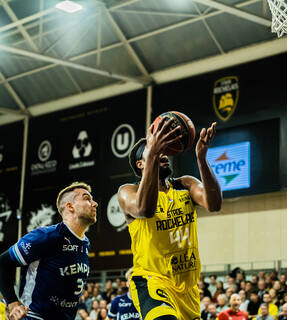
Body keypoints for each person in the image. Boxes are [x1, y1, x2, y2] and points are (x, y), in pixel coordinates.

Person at [118, 118, 222, 320]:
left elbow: (215, 204)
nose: (163, 154)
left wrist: (201, 158)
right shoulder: (128, 191)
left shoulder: (185, 184)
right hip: (152, 281)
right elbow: (144, 209)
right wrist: (153, 153)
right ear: (141, 163)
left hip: (188, 289)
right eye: (156, 150)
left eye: (164, 150)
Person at [0, 182, 98, 320]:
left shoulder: (85, 243)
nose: (95, 204)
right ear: (70, 206)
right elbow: (3, 262)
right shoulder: (46, 236)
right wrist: (12, 302)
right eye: (87, 198)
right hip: (35, 316)